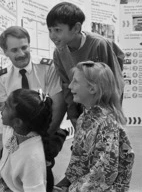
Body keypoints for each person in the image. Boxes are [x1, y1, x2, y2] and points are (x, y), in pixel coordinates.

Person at [53, 61, 134, 192]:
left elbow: (104, 172)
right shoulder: (84, 117)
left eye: (76, 82)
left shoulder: (107, 123)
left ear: (92, 89)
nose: (70, 86)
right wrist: (65, 184)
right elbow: (79, 159)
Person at [46, 2, 125, 128]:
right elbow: (67, 87)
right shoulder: (58, 53)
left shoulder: (98, 44)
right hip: (81, 113)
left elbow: (114, 83)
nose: (52, 36)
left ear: (76, 28)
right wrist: (73, 117)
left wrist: (112, 118)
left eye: (57, 30)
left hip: (104, 113)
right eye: (50, 30)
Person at [0, 26, 67, 135]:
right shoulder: (2, 77)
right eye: (14, 50)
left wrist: (46, 135)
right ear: (5, 52)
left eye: (24, 47)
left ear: (29, 45)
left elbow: (58, 106)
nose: (21, 54)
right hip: (17, 136)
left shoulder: (48, 68)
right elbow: (6, 114)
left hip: (47, 131)